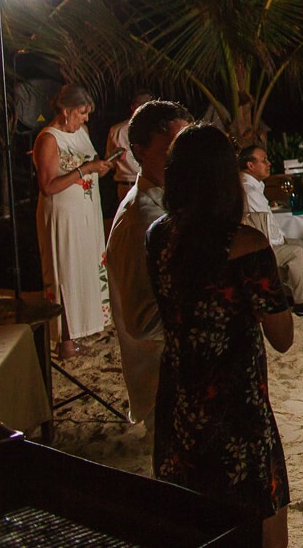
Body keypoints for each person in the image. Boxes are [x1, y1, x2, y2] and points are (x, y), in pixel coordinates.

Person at [147, 124, 294, 548]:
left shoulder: (158, 236)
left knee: (190, 516)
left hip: (180, 397)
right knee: (262, 507)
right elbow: (282, 337)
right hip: (235, 401)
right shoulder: (247, 245)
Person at [106, 98, 192, 434]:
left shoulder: (167, 199)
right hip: (164, 382)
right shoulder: (141, 219)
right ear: (139, 152)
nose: (180, 161)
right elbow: (141, 320)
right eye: (169, 150)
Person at [33, 84, 113, 359]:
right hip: (63, 214)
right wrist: (85, 169)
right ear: (65, 111)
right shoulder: (48, 139)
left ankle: (81, 331)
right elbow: (48, 186)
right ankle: (65, 340)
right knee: (64, 272)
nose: (85, 119)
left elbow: (87, 170)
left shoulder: (82, 133)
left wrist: (99, 168)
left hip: (87, 210)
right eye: (81, 113)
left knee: (84, 268)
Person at [239, 144, 303, 316]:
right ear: (250, 165)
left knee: (301, 244)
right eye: (264, 160)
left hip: (269, 241)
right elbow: (259, 228)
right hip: (261, 249)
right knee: (296, 252)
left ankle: (293, 294)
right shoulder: (248, 190)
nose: (269, 163)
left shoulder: (254, 186)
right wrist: (279, 243)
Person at [107, 91, 153, 203]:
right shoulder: (118, 130)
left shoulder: (154, 129)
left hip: (150, 185)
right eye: (143, 104)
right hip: (127, 184)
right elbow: (110, 161)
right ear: (134, 106)